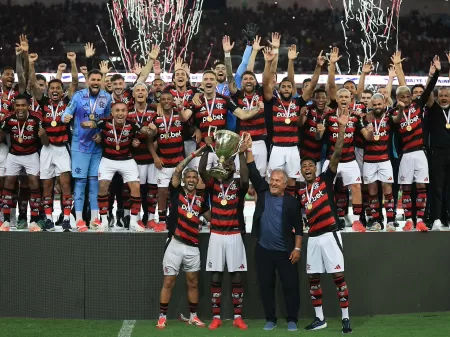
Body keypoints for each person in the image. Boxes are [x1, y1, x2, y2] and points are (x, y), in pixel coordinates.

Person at [298, 108, 352, 334]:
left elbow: (337, 154)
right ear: (301, 172)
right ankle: (319, 318)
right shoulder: (300, 193)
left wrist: (341, 129)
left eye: (310, 165)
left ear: (316, 168)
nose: (307, 168)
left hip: (330, 234)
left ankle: (346, 319)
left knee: (338, 277)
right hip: (313, 237)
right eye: (304, 167)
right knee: (313, 277)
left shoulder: (325, 179)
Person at [246, 136, 302, 331]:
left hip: (286, 252)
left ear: (285, 184)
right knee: (266, 286)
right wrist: (248, 150)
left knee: (290, 286)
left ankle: (292, 319)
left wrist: (297, 248)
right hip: (264, 251)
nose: (273, 183)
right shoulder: (262, 193)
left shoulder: (292, 203)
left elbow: (299, 228)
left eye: (278, 181)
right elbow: (253, 171)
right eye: (272, 179)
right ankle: (270, 318)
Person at [80, 102, 156, 232]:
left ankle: (133, 221)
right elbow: (88, 124)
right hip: (108, 160)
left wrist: (152, 130)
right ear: (112, 113)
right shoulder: (105, 122)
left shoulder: (132, 124)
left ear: (127, 112)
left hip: (127, 159)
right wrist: (87, 124)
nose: (120, 113)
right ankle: (103, 221)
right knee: (103, 185)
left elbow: (146, 131)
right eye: (117, 111)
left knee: (136, 186)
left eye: (123, 111)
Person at [156, 145, 210, 329]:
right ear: (184, 180)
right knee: (169, 281)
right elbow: (178, 168)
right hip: (175, 244)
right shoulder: (177, 193)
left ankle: (193, 316)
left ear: (198, 180)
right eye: (189, 177)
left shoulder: (201, 199)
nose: (191, 180)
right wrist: (195, 154)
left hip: (193, 246)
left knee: (193, 283)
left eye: (195, 177)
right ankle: (162, 316)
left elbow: (211, 217)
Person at [198, 140, 249, 330]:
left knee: (237, 277)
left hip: (235, 234)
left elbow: (245, 178)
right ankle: (216, 317)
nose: (227, 165)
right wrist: (206, 151)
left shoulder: (238, 185)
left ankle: (237, 316)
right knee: (216, 276)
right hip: (217, 235)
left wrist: (242, 154)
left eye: (230, 163)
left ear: (234, 166)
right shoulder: (213, 184)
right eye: (224, 162)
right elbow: (202, 172)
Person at [29, 52, 78, 232]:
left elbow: (74, 82)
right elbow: (33, 84)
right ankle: (48, 219)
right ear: (48, 91)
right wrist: (32, 64)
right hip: (46, 149)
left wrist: (73, 62)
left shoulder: (67, 101)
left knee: (65, 185)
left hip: (62, 148)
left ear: (61, 91)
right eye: (52, 88)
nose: (55, 90)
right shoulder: (43, 102)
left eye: (58, 87)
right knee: (47, 185)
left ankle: (66, 218)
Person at [392, 55, 440, 231]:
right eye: (402, 96)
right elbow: (395, 122)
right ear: (397, 97)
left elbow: (429, 89)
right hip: (405, 154)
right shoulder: (394, 112)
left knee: (421, 185)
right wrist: (397, 68)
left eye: (408, 95)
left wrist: (436, 73)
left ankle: (419, 219)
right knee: (405, 187)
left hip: (420, 152)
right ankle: (408, 220)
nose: (406, 98)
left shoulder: (418, 105)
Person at [62, 69, 112, 232]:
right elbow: (65, 114)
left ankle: (94, 219)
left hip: (96, 147)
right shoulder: (78, 96)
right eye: (93, 79)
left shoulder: (106, 97)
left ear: (101, 80)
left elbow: (108, 120)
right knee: (80, 183)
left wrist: (101, 134)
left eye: (98, 79)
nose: (96, 82)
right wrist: (66, 118)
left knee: (94, 183)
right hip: (80, 146)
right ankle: (79, 219)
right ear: (88, 80)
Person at [0, 94, 43, 232]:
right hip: (14, 155)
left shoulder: (36, 118)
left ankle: (34, 221)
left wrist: (44, 135)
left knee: (34, 184)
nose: (20, 108)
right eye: (17, 105)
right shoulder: (8, 118)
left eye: (23, 105)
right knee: (8, 184)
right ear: (14, 106)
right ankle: (6, 221)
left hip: (31, 154)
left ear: (28, 106)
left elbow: (45, 141)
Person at [148, 91, 186, 232]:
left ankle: (181, 218)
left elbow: (188, 129)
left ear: (173, 100)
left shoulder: (179, 116)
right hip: (163, 163)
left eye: (168, 99)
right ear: (160, 101)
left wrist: (197, 131)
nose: (166, 101)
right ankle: (162, 220)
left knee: (180, 192)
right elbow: (149, 142)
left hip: (178, 163)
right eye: (163, 99)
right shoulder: (155, 118)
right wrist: (155, 157)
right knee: (162, 191)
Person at [362, 94, 401, 232]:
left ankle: (390, 221)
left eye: (380, 104)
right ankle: (377, 221)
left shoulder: (388, 118)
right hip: (369, 160)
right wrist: (370, 132)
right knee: (372, 192)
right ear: (371, 105)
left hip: (384, 159)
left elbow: (398, 119)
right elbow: (366, 137)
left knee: (388, 190)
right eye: (375, 105)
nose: (377, 107)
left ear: (384, 104)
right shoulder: (365, 119)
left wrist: (401, 109)